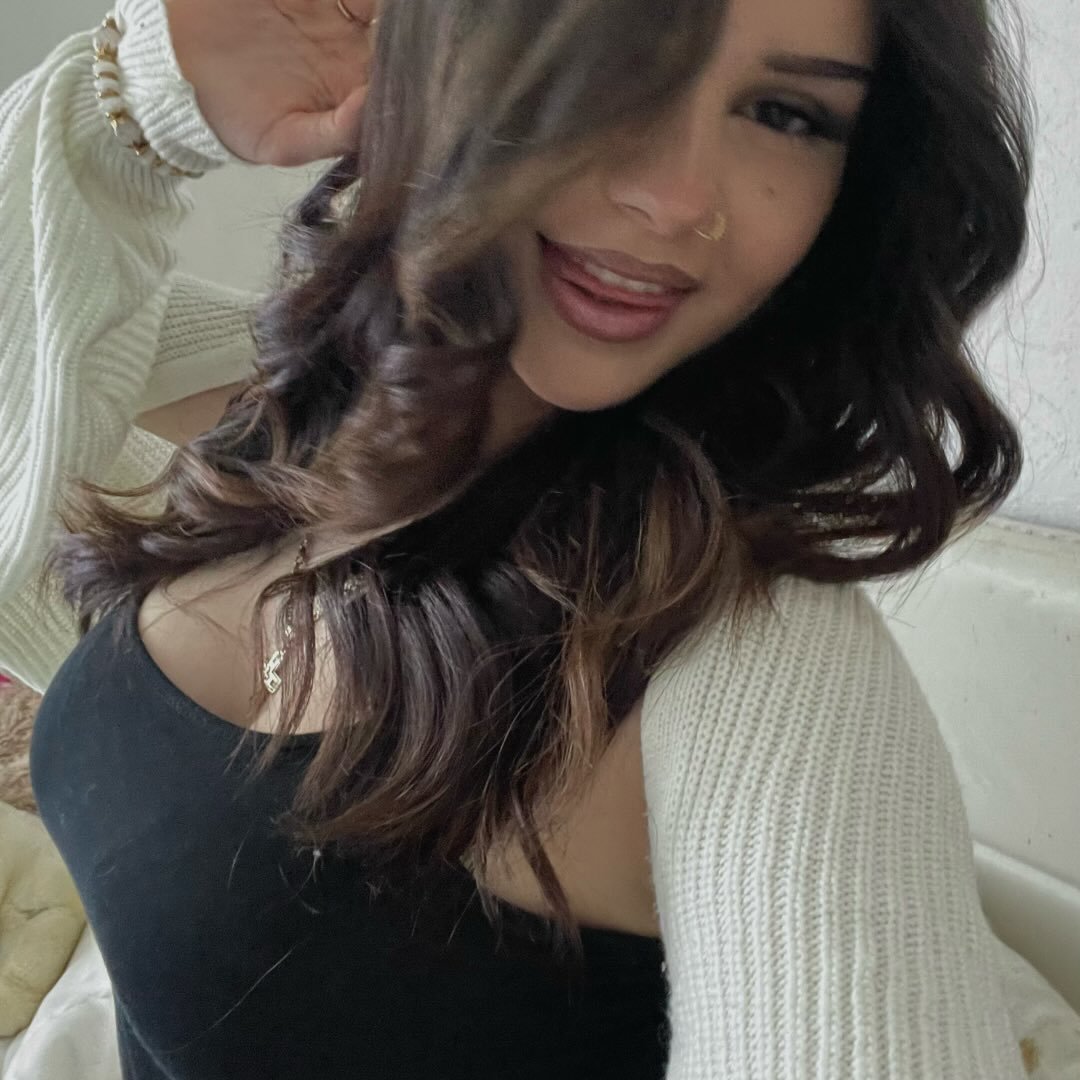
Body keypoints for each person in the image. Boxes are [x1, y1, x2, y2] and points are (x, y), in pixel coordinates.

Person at [0, 0, 1039, 1075]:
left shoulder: (764, 657)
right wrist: (140, 98)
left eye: (786, 114)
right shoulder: (304, 399)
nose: (676, 198)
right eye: (619, 58)